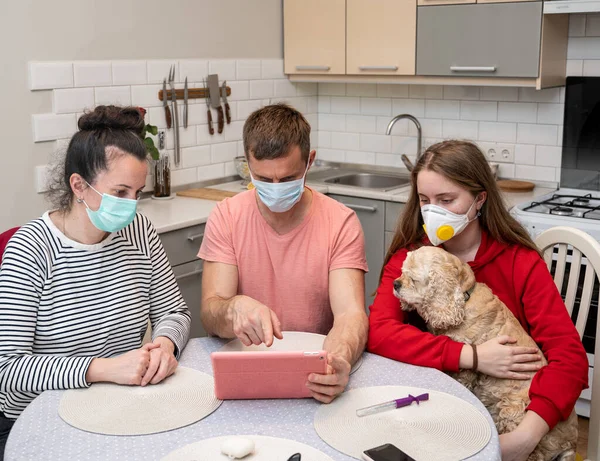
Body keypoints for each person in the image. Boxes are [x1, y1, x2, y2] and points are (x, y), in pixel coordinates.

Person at [368, 140, 588, 461]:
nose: (433, 211)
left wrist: (526, 435)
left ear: (479, 199)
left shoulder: (519, 261)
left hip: (510, 417)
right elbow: (379, 332)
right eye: (425, 200)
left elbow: (569, 359)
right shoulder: (412, 257)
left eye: (446, 200)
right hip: (434, 408)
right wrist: (470, 355)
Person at [0, 106, 191, 459]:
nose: (132, 205)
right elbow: (9, 367)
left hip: (116, 403)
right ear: (79, 186)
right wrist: (103, 369)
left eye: (138, 192)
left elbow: (174, 311)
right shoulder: (30, 248)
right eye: (120, 192)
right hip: (38, 418)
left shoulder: (140, 232)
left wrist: (165, 345)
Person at [198, 104, 368, 403]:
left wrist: (339, 360)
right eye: (263, 179)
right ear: (248, 165)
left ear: (309, 162)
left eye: (288, 179)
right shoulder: (227, 216)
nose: (275, 189)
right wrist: (232, 307)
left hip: (314, 372)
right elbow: (211, 314)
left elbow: (350, 315)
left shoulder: (340, 222)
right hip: (246, 369)